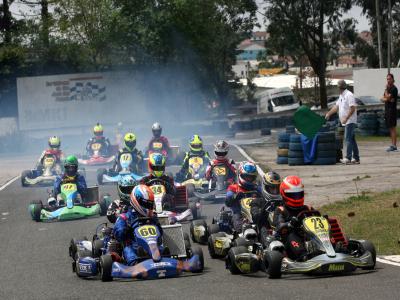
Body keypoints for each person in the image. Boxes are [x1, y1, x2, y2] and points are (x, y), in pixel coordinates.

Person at [113, 184, 164, 266]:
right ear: (136, 200)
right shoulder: (125, 217)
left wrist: (157, 225)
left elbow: (160, 233)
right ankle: (135, 264)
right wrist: (125, 230)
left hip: (152, 245)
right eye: (146, 204)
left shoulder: (152, 217)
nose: (149, 207)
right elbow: (118, 234)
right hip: (134, 246)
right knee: (128, 250)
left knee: (161, 247)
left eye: (150, 204)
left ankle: (163, 257)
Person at [272, 175, 314, 261]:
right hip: (289, 245)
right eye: (293, 195)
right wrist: (289, 223)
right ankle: (303, 256)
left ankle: (334, 248)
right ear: (284, 194)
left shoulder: (307, 209)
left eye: (299, 194)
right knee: (291, 235)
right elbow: (279, 227)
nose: (297, 197)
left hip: (307, 237)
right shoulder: (281, 210)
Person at [325, 80, 359, 164]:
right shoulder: (341, 96)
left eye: (338, 87)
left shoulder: (349, 95)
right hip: (346, 121)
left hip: (350, 121)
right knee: (352, 139)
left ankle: (348, 158)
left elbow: (353, 108)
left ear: (340, 88)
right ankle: (356, 158)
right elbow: (336, 107)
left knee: (347, 138)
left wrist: (346, 118)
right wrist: (329, 113)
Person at [225, 161, 261, 232]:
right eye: (247, 177)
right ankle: (240, 234)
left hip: (255, 212)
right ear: (241, 175)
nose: (249, 179)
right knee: (238, 223)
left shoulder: (257, 188)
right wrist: (234, 196)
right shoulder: (233, 188)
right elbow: (228, 200)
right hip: (239, 213)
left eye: (251, 177)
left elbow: (265, 195)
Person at [381, 73, 398, 151]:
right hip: (387, 110)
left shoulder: (394, 89)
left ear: (393, 80)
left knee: (393, 128)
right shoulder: (387, 88)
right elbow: (382, 98)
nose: (388, 80)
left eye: (389, 79)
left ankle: (394, 145)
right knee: (390, 128)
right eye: (387, 79)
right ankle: (392, 145)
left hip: (392, 111)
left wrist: (386, 98)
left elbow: (387, 98)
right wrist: (386, 98)